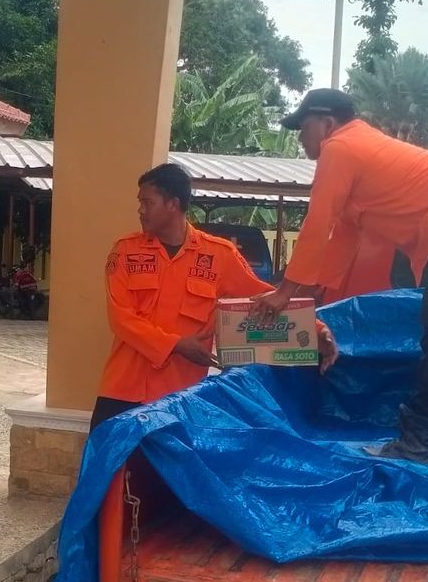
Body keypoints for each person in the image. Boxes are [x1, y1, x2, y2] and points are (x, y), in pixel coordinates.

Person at [253, 89, 428, 470]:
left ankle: (418, 441)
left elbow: (317, 222)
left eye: (302, 128)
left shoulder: (339, 147)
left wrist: (284, 292)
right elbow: (340, 238)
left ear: (326, 123)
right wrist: (311, 299)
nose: (300, 137)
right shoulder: (365, 151)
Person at [91, 163, 338, 430]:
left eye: (147, 202)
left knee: (168, 472)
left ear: (173, 204)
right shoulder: (126, 252)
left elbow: (265, 297)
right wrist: (175, 345)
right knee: (108, 467)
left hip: (180, 394)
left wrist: (317, 330)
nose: (140, 209)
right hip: (122, 389)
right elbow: (120, 319)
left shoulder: (218, 255)